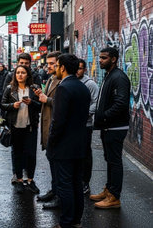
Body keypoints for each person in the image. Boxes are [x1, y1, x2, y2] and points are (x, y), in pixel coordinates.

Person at [47, 54, 90, 228]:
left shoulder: (63, 88)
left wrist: (51, 143)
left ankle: (66, 222)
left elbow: (58, 121)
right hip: (80, 145)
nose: (56, 68)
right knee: (76, 183)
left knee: (64, 185)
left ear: (63, 67)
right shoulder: (82, 87)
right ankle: (76, 220)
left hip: (64, 146)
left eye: (57, 65)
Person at [90, 47, 130, 209]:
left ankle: (114, 196)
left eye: (104, 58)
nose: (100, 60)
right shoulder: (109, 75)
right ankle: (109, 190)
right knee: (109, 160)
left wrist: (104, 115)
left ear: (113, 59)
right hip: (108, 127)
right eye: (99, 57)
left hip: (115, 127)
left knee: (114, 161)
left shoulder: (119, 77)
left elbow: (121, 103)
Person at [1, 65, 41, 194]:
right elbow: (3, 104)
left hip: (30, 127)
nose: (20, 75)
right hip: (15, 126)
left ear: (27, 75)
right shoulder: (10, 89)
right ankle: (19, 180)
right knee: (17, 153)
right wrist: (13, 105)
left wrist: (32, 103)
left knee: (31, 155)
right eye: (18, 72)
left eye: (23, 72)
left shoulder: (34, 89)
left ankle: (30, 180)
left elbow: (41, 106)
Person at [34, 51, 62, 209]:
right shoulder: (51, 78)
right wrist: (42, 95)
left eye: (53, 64)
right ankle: (54, 190)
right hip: (47, 126)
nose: (49, 66)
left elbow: (62, 104)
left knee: (58, 164)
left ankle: (59, 197)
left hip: (55, 127)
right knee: (52, 161)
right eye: (48, 63)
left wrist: (47, 99)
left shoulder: (62, 81)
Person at [77, 59, 99, 195]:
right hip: (72, 126)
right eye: (76, 68)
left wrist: (83, 113)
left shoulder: (90, 84)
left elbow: (96, 103)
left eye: (80, 68)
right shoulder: (70, 82)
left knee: (85, 153)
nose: (77, 71)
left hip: (85, 125)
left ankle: (85, 182)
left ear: (85, 69)